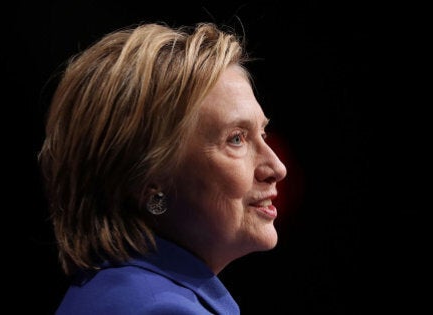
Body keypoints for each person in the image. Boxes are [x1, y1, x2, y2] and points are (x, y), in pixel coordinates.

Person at [38, 22, 287, 314]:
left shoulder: (108, 290)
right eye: (236, 139)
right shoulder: (164, 309)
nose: (276, 167)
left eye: (263, 133)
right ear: (149, 179)